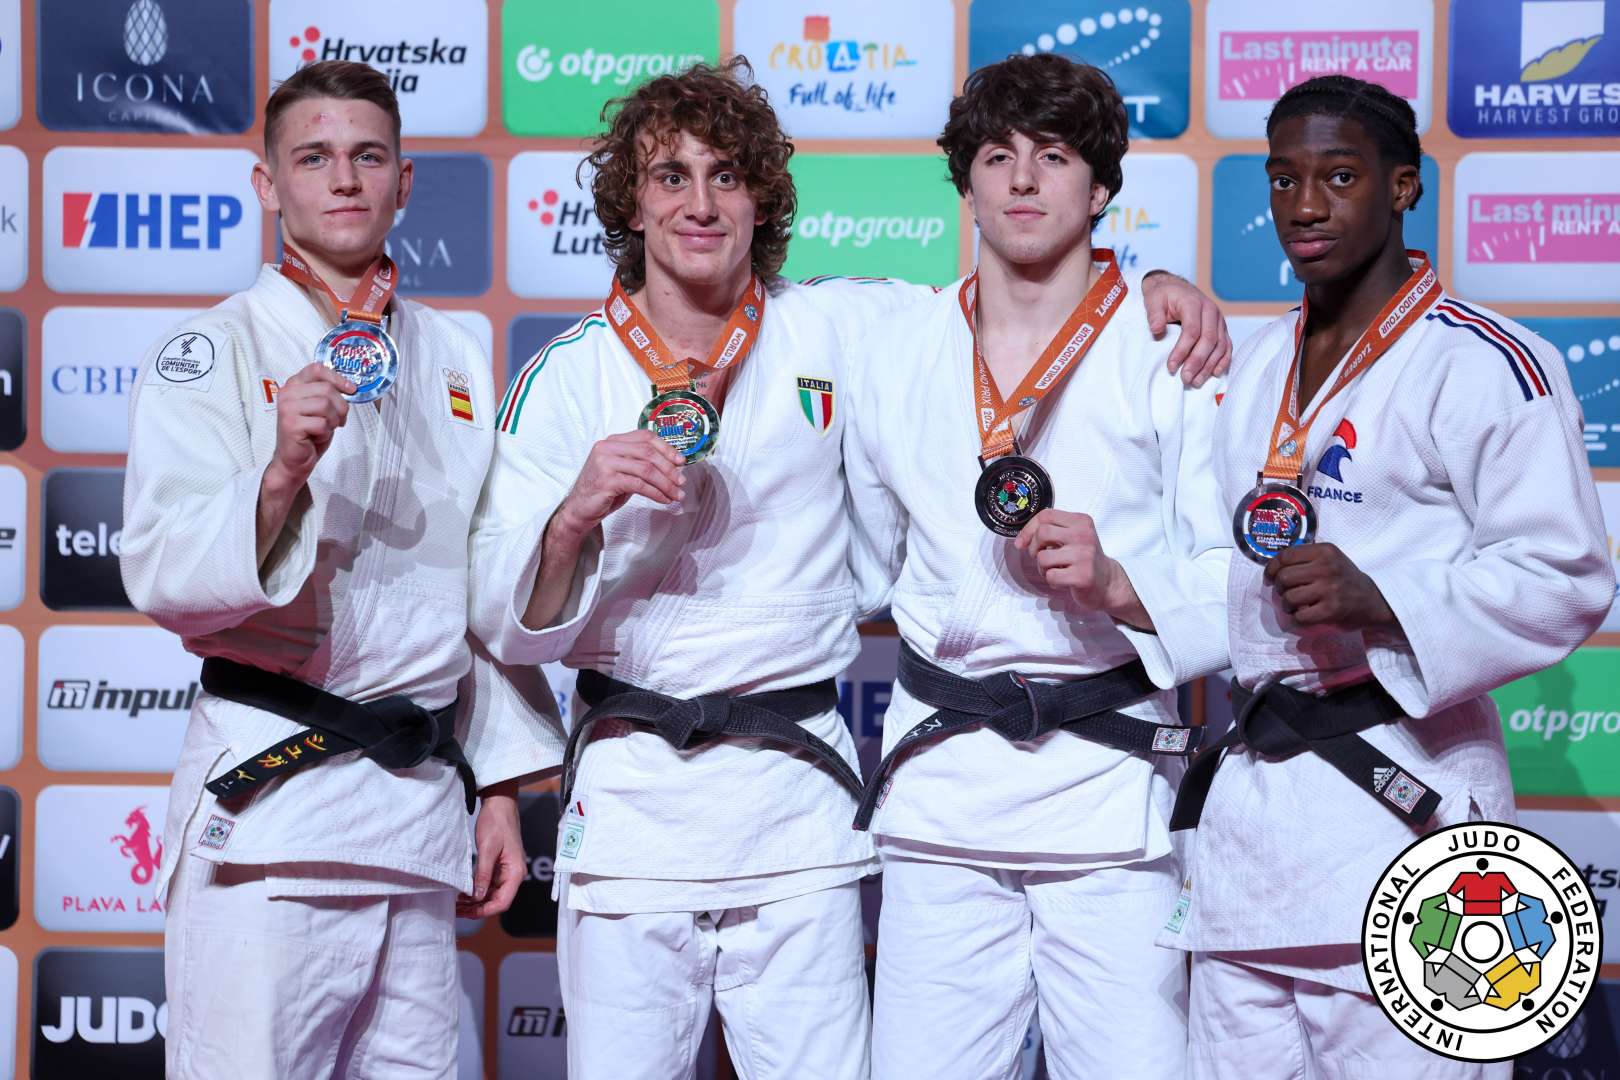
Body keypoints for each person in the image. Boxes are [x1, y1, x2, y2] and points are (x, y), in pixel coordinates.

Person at [469, 57, 1227, 1080]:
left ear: (761, 202)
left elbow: (1023, 289)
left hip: (801, 798)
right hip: (636, 791)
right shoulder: (563, 376)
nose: (701, 203)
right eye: (671, 178)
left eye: (727, 177)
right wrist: (574, 517)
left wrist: (1153, 287)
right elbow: (506, 621)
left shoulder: (838, 324)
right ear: (629, 205)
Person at [1160, 75, 1614, 1078]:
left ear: (1405, 185)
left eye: (1340, 175)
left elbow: (1570, 573)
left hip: (1408, 808)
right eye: (1282, 179)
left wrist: (1384, 598)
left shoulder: (1491, 362)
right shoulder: (1252, 366)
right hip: (1255, 826)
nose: (1305, 205)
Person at [120, 60, 561, 1079]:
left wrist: (493, 784)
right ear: (268, 186)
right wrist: (278, 476)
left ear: (406, 182)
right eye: (313, 158)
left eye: (369, 157)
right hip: (274, 812)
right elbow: (161, 568)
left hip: (411, 817)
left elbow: (473, 582)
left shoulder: (451, 354)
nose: (345, 179)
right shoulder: (213, 347)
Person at [842, 53, 1229, 1079]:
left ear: (1099, 189)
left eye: (1052, 157)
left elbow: (1236, 574)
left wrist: (1121, 586)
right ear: (965, 181)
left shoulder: (1173, 348)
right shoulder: (898, 348)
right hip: (943, 794)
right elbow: (870, 565)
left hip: (1111, 798)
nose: (1021, 180)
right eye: (997, 156)